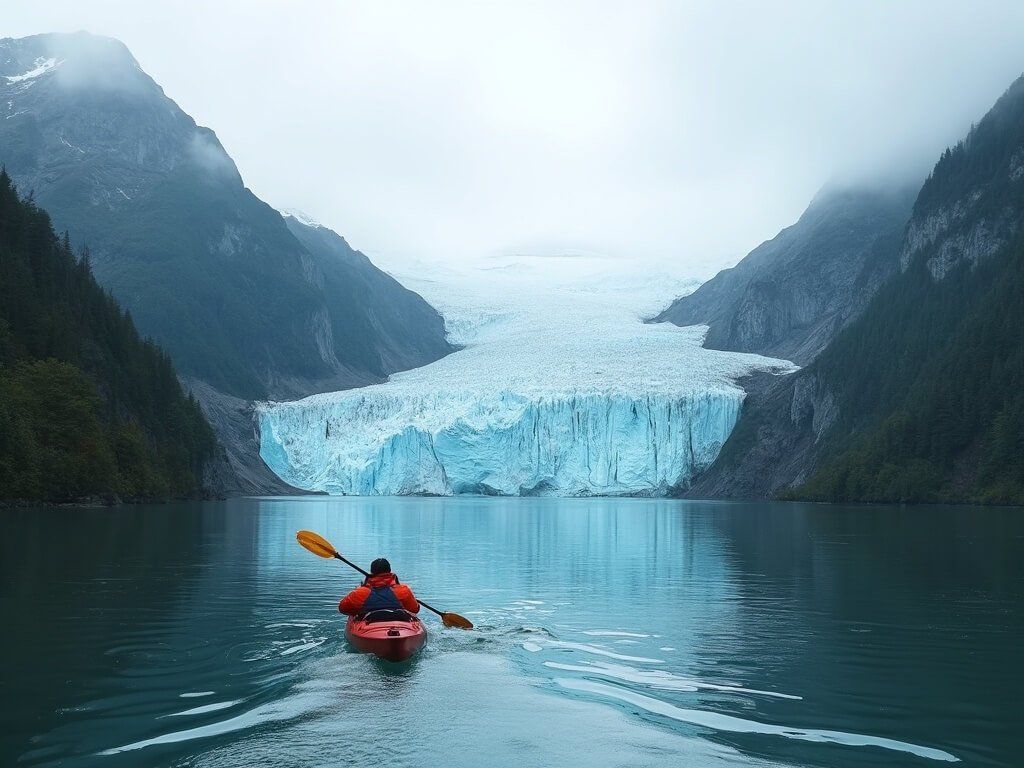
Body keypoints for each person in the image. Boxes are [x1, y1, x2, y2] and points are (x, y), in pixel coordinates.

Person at [339, 557, 420, 621]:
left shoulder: (360, 592)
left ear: (371, 572)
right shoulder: (403, 590)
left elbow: (343, 608)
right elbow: (415, 609)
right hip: (400, 623)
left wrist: (357, 611)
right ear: (389, 571)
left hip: (369, 624)